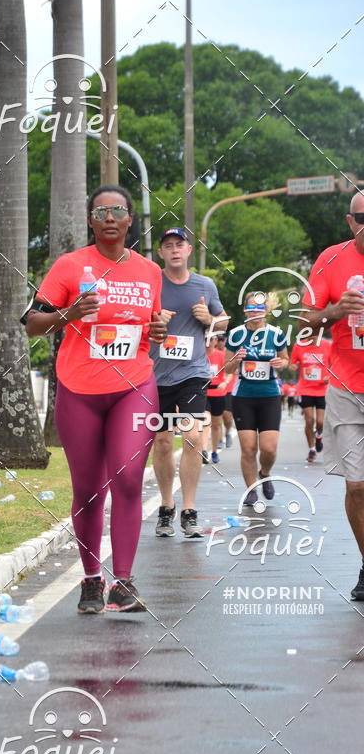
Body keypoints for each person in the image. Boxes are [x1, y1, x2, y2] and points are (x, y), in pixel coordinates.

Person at [23, 185, 166, 614]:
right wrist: (69, 314)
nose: (109, 217)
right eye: (100, 211)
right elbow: (31, 323)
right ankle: (91, 579)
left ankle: (123, 582)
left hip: (134, 386)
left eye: (117, 210)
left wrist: (158, 332)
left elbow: (149, 327)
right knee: (88, 490)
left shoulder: (150, 271)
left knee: (128, 477)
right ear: (90, 220)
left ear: (130, 220)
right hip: (80, 390)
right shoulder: (70, 266)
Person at [301, 193, 364, 601]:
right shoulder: (330, 259)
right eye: (363, 217)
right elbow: (305, 321)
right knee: (357, 487)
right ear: (350, 221)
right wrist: (335, 311)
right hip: (347, 388)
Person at [151, 228, 228, 538]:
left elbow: (224, 320)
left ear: (189, 250)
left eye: (179, 245)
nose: (174, 250)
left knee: (194, 437)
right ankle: (166, 506)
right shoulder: (153, 283)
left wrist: (209, 320)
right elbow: (133, 320)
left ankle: (189, 509)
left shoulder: (204, 285)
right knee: (162, 441)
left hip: (193, 373)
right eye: (168, 246)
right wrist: (155, 320)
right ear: (160, 253)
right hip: (157, 375)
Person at [225, 292, 289, 508]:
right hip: (243, 396)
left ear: (266, 311)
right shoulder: (236, 334)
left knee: (269, 448)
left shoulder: (276, 334)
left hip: (269, 395)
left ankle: (265, 473)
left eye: (259, 309)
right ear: (245, 311)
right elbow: (227, 368)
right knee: (249, 448)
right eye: (251, 308)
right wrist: (236, 360)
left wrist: (281, 363)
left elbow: (285, 359)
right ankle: (251, 490)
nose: (255, 313)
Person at [289, 336, 332, 462]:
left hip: (322, 389)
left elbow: (334, 364)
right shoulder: (299, 346)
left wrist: (329, 376)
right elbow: (292, 364)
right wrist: (293, 367)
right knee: (309, 420)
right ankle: (311, 449)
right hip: (305, 389)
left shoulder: (327, 345)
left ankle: (319, 435)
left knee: (320, 422)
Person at [204, 333, 227, 463]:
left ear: (215, 341)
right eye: (205, 339)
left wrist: (225, 382)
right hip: (203, 392)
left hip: (218, 393)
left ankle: (214, 451)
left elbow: (229, 372)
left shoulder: (221, 355)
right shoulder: (199, 355)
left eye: (210, 339)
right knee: (205, 420)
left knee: (216, 424)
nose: (207, 342)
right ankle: (203, 450)